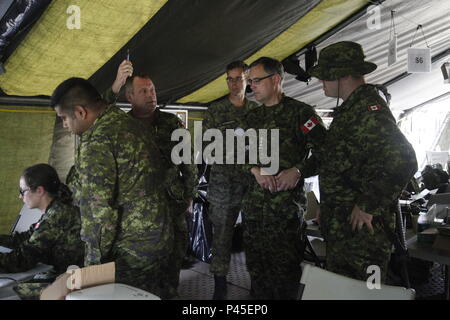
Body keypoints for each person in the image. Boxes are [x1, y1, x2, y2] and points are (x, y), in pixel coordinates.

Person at [305, 41, 418, 283]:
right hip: (344, 227)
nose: (321, 82)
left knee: (368, 292)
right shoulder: (351, 109)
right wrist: (329, 207)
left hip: (364, 236)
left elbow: (404, 159)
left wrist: (368, 204)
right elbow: (341, 162)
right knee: (347, 290)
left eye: (325, 76)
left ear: (342, 75)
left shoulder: (368, 110)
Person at [51, 77, 174, 298]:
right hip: (159, 235)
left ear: (80, 112)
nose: (64, 125)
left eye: (63, 118)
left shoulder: (97, 141)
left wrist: (91, 271)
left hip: (131, 250)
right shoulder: (128, 123)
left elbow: (97, 215)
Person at [104, 60, 197, 299]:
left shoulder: (171, 123)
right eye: (143, 91)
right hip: (136, 213)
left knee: (173, 262)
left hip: (172, 205)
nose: (150, 95)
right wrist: (115, 84)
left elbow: (188, 163)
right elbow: (99, 110)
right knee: (138, 273)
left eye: (152, 90)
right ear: (130, 96)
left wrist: (190, 196)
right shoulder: (120, 125)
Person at [241, 57, 326, 299]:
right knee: (256, 274)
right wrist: (254, 169)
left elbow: (327, 151)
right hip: (255, 213)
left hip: (286, 214)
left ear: (276, 79)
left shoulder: (301, 114)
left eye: (256, 80)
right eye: (250, 82)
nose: (251, 87)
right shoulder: (250, 119)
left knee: (285, 276)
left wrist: (299, 170)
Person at [202, 60, 258, 300]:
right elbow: (208, 149)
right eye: (229, 79)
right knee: (221, 237)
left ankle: (256, 281)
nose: (233, 84)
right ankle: (219, 285)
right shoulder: (215, 111)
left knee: (255, 236)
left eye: (238, 78)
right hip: (223, 186)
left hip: (253, 186)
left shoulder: (257, 111)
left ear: (248, 80)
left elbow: (264, 148)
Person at [0, 163, 84, 299]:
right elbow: (27, 237)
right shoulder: (58, 208)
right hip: (68, 273)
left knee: (11, 293)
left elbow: (22, 260)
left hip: (73, 278)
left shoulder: (56, 216)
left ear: (39, 190)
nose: (20, 197)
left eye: (22, 191)